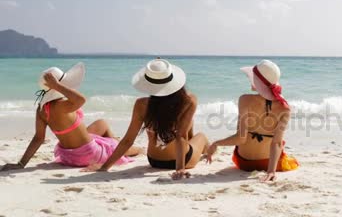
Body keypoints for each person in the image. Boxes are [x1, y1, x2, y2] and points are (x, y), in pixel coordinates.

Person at [1, 63, 139, 171]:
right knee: (114, 144)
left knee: (101, 123)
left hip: (67, 156)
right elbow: (81, 99)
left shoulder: (42, 110)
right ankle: (133, 149)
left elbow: (38, 138)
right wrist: (57, 85)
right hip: (88, 155)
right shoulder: (62, 105)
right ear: (59, 86)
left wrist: (21, 163)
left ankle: (113, 143)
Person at [89, 58, 209, 180]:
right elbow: (180, 136)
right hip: (181, 160)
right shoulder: (188, 100)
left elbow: (128, 140)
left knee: (188, 124)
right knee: (202, 137)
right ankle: (209, 151)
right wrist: (179, 169)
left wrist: (104, 167)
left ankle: (194, 146)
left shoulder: (141, 104)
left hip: (154, 161)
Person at [206, 60, 299, 181]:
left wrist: (216, 143)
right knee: (280, 142)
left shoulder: (245, 100)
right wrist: (271, 171)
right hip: (267, 163)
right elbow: (276, 143)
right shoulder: (284, 108)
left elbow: (240, 138)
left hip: (244, 163)